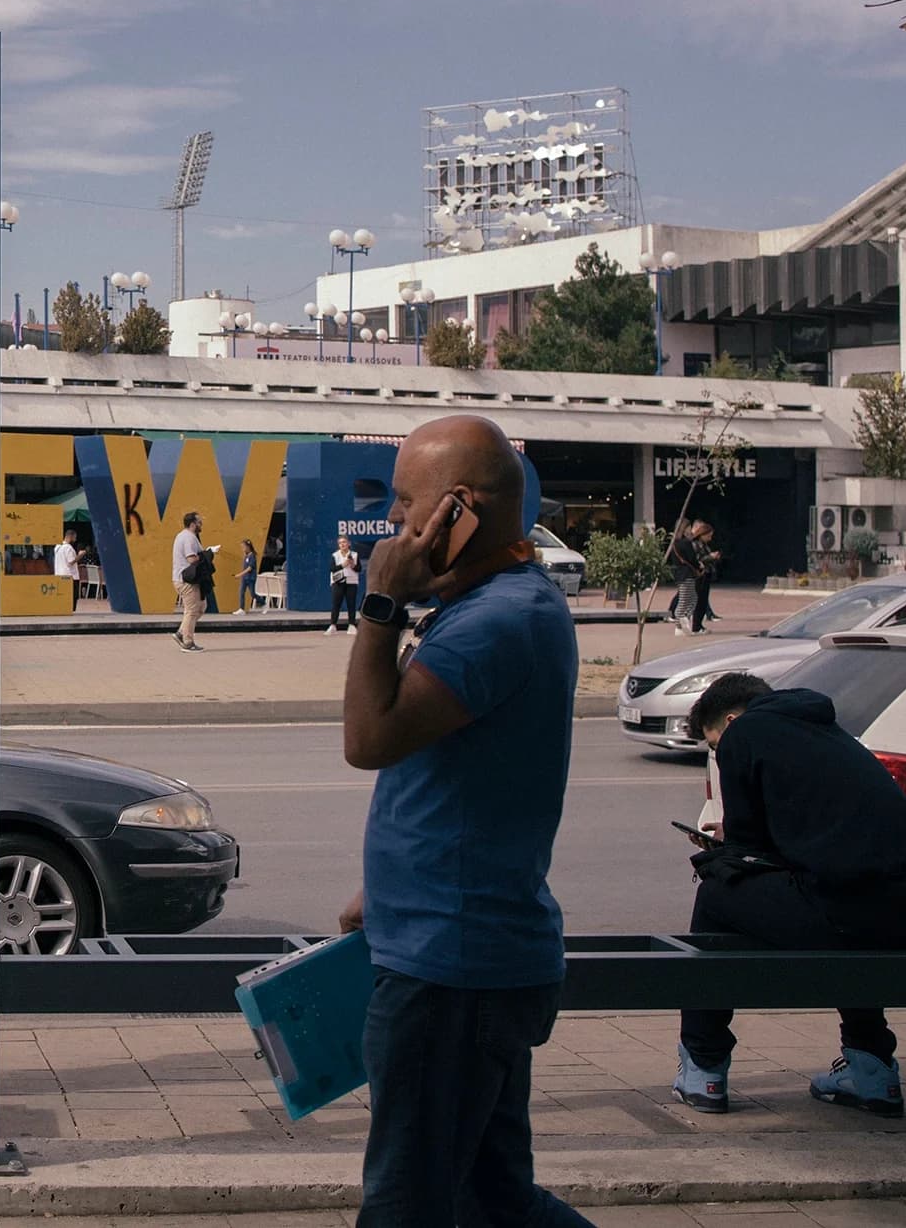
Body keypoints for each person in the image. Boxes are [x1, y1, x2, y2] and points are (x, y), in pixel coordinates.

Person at [337, 413, 590, 1227]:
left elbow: (370, 738)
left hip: (453, 973)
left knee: (408, 1206)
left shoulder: (500, 620)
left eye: (407, 507)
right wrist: (389, 888)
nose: (393, 528)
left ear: (459, 511)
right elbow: (459, 785)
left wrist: (380, 601)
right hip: (455, 945)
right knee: (492, 1199)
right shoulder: (491, 604)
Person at [672, 673, 906, 1118]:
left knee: (718, 888)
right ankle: (872, 1069)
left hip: (852, 911)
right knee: (843, 903)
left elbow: (745, 852)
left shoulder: (746, 734)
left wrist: (726, 848)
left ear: (732, 720)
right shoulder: (826, 732)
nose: (720, 755)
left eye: (715, 745)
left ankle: (704, 1064)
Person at [171, 511, 208, 652]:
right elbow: (191, 559)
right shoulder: (189, 538)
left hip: (186, 579)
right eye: (199, 522)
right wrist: (207, 555)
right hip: (186, 580)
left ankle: (181, 632)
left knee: (201, 607)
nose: (201, 524)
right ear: (192, 524)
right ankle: (187, 642)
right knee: (192, 610)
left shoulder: (188, 536)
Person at [668, 519, 703, 636]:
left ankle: (683, 622)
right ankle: (680, 622)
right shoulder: (685, 543)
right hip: (687, 574)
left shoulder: (674, 543)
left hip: (679, 574)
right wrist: (699, 566)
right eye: (688, 527)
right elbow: (692, 558)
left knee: (690, 597)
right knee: (687, 599)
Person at [327, 534, 361, 635]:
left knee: (351, 604)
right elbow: (332, 569)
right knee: (336, 604)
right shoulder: (335, 555)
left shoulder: (354, 555)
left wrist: (352, 565)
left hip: (351, 582)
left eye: (344, 542)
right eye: (340, 543)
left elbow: (359, 569)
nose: (342, 544)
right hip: (338, 583)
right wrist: (342, 565)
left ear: (348, 544)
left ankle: (351, 625)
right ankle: (333, 625)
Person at [692, 520, 723, 627]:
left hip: (707, 573)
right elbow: (697, 559)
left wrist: (713, 557)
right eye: (708, 536)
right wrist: (710, 557)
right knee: (700, 600)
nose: (710, 538)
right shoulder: (696, 544)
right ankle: (696, 625)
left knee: (703, 600)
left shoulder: (704, 545)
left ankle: (699, 624)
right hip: (700, 574)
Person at [236, 539, 258, 615]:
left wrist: (240, 574)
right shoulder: (246, 556)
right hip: (245, 578)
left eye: (243, 547)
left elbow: (250, 568)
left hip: (251, 578)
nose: (242, 549)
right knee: (241, 592)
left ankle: (263, 603)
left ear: (248, 547)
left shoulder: (252, 556)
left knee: (252, 594)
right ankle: (241, 608)